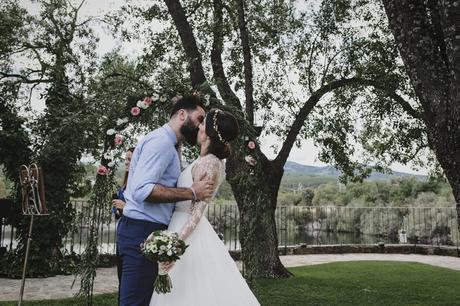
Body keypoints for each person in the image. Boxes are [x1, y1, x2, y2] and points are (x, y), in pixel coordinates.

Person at [150, 109, 260, 306]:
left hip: (187, 232)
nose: (199, 125)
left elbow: (197, 212)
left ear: (209, 133)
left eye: (203, 123)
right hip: (178, 225)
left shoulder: (210, 163)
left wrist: (175, 245)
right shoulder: (205, 160)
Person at [117, 95, 214, 306]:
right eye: (199, 118)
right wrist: (192, 192)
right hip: (142, 232)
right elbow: (144, 190)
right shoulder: (161, 142)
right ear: (182, 114)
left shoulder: (168, 143)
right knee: (134, 302)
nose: (200, 126)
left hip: (141, 229)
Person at [112, 147, 134, 305]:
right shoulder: (125, 183)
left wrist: (125, 206)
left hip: (132, 235)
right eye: (126, 159)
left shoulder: (137, 184)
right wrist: (117, 208)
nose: (126, 162)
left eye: (130, 159)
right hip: (121, 234)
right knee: (121, 279)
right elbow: (119, 212)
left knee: (128, 283)